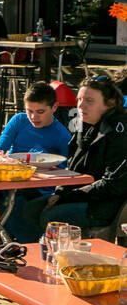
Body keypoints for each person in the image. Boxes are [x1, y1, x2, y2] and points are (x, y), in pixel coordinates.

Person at [16, 76, 127, 242]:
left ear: (109, 104)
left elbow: (113, 184)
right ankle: (37, 253)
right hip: (83, 195)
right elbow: (73, 166)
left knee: (51, 217)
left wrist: (69, 197)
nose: (81, 106)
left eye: (89, 100)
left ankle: (64, 255)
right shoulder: (83, 123)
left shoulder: (120, 130)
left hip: (107, 205)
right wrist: (60, 193)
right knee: (30, 209)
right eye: (79, 99)